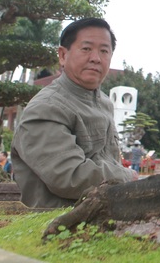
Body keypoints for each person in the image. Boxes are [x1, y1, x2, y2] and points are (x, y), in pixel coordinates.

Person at [11, 17, 135, 208]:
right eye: (86, 49)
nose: (96, 58)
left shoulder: (104, 103)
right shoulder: (47, 108)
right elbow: (68, 176)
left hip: (104, 215)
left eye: (104, 51)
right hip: (56, 223)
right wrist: (128, 176)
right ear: (62, 55)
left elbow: (109, 161)